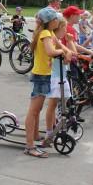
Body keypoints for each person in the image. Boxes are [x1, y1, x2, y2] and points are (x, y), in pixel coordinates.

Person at [23, 8, 67, 158]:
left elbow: (60, 45)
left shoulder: (49, 33)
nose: (58, 21)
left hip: (44, 75)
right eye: (56, 19)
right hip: (41, 75)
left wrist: (68, 52)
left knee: (37, 109)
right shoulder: (46, 33)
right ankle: (29, 146)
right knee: (34, 111)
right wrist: (62, 53)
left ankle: (34, 136)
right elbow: (50, 51)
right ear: (50, 22)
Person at [39, 17, 75, 148]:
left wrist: (70, 42)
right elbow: (66, 58)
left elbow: (72, 54)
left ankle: (57, 128)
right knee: (52, 105)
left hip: (62, 77)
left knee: (62, 105)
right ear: (58, 28)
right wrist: (66, 53)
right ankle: (50, 132)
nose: (66, 30)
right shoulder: (54, 44)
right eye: (64, 28)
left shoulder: (59, 42)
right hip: (55, 78)